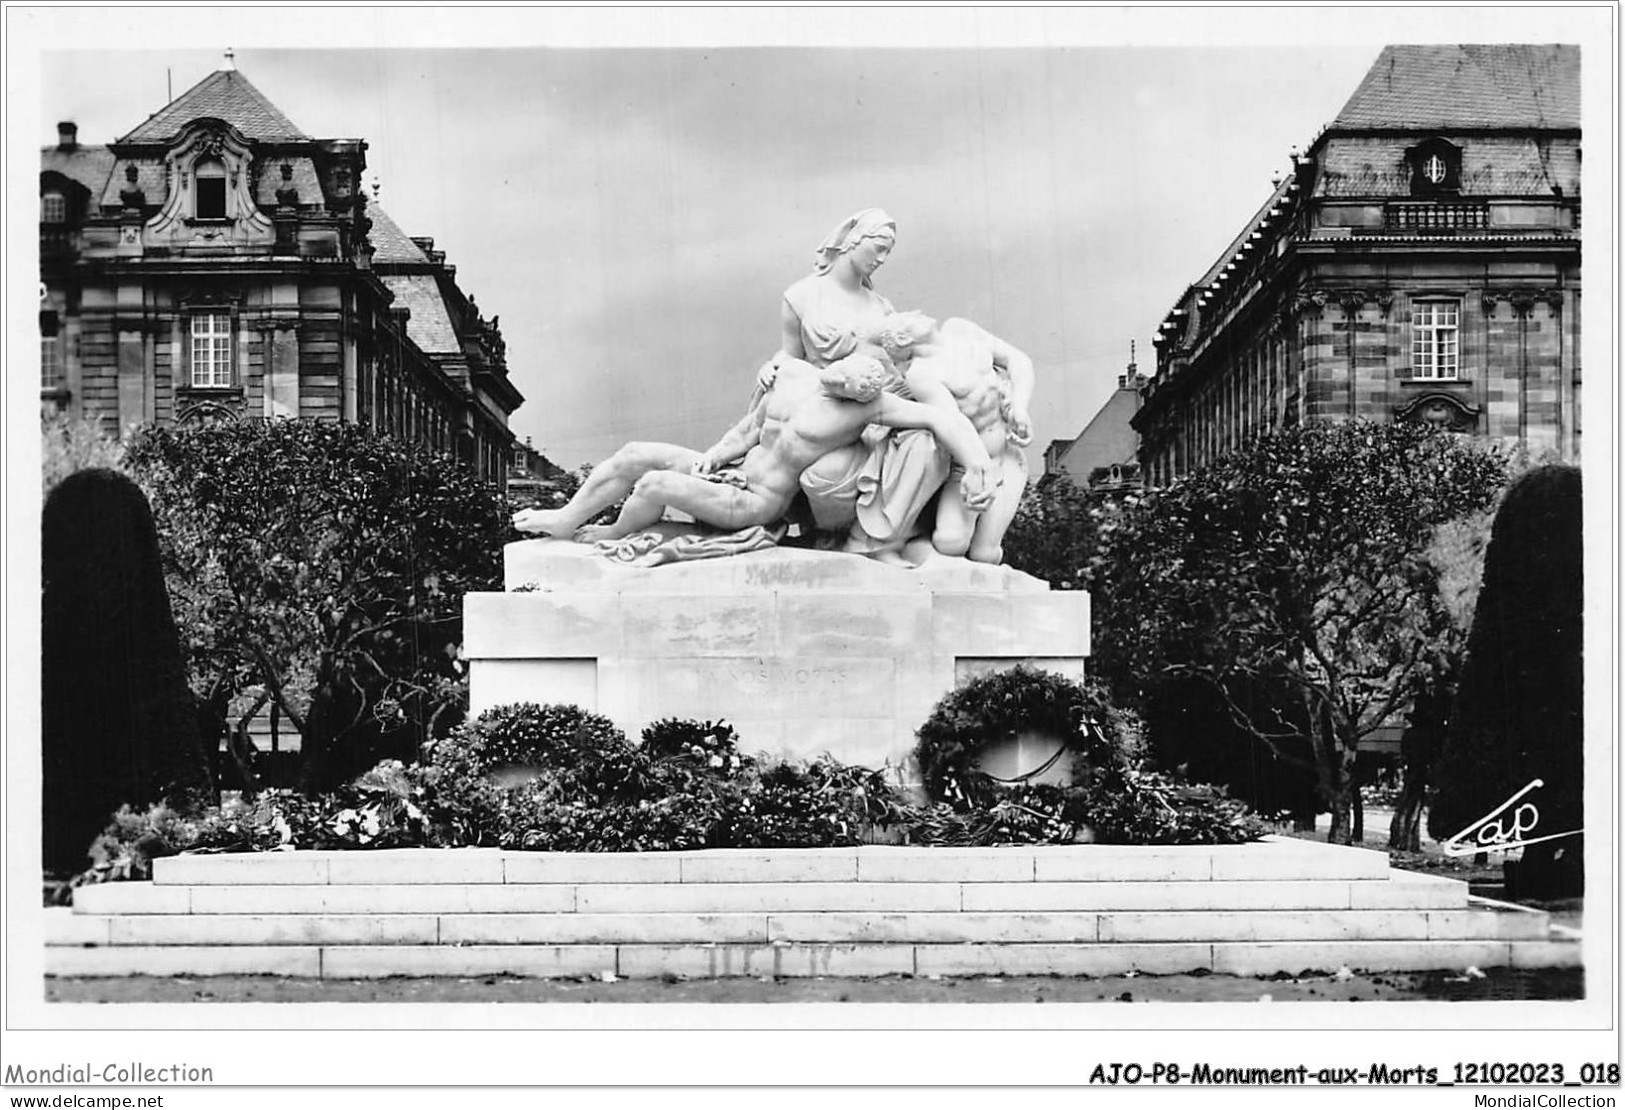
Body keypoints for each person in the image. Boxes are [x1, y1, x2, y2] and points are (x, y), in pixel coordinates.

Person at [511, 354, 998, 543]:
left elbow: (939, 417)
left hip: (755, 502)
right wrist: (715, 457)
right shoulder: (791, 375)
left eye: (860, 386)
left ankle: (616, 531)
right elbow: (746, 431)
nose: (849, 382)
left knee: (655, 483)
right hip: (733, 469)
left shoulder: (868, 409)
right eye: (850, 373)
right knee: (636, 452)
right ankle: (567, 518)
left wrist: (977, 463)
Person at [869, 311, 1034, 565]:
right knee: (951, 542)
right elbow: (953, 422)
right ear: (903, 338)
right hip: (972, 465)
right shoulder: (921, 374)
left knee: (985, 554)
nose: (917, 313)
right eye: (909, 318)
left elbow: (1017, 359)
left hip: (1008, 456)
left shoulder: (961, 330)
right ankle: (915, 548)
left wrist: (1020, 406)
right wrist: (976, 469)